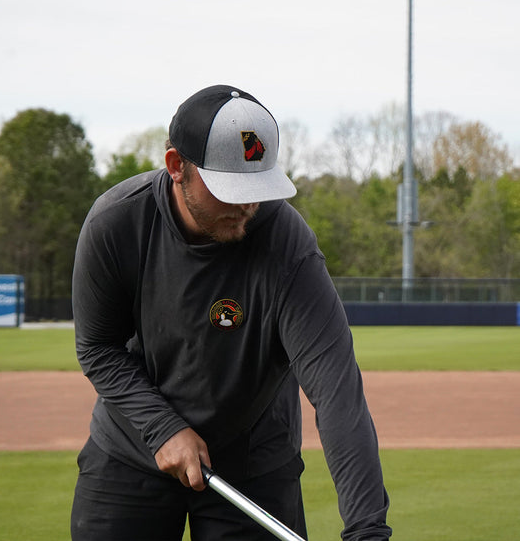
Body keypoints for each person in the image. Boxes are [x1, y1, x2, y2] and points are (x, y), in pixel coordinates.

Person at [71, 84, 392, 541]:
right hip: (131, 454)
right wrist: (164, 428)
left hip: (253, 464)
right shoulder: (116, 224)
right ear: (177, 166)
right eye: (230, 187)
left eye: (258, 186)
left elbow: (338, 394)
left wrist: (368, 532)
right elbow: (99, 348)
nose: (248, 204)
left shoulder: (288, 248)